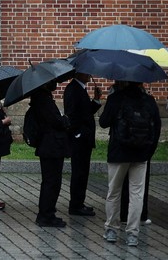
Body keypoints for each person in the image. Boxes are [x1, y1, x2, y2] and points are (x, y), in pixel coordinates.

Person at [98, 80, 161, 247]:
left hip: (119, 152)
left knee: (114, 192)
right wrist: (148, 152)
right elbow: (157, 128)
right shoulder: (149, 101)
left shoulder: (116, 98)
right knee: (137, 194)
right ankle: (133, 233)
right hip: (141, 154)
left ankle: (111, 229)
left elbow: (103, 122)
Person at [29, 80, 70, 227]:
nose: (56, 84)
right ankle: (46, 215)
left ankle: (47, 213)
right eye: (54, 81)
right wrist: (64, 119)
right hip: (51, 146)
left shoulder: (41, 98)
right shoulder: (43, 99)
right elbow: (55, 121)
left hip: (49, 145)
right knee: (51, 182)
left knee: (50, 181)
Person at [64, 72, 102, 216]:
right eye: (85, 71)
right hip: (79, 139)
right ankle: (75, 205)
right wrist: (77, 133)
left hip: (84, 139)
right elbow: (72, 114)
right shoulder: (73, 89)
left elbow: (85, 112)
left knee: (83, 172)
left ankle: (79, 202)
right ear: (78, 72)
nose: (89, 74)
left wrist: (96, 100)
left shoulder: (81, 88)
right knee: (79, 172)